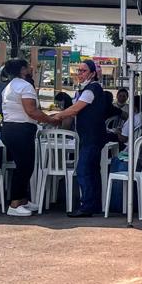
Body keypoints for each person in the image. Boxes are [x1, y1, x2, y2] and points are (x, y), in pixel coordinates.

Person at [47, 59, 108, 217]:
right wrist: (55, 115)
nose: (80, 74)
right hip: (89, 136)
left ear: (92, 74)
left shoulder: (91, 89)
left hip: (92, 136)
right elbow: (72, 108)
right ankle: (93, 205)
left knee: (84, 170)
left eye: (83, 71)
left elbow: (74, 110)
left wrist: (54, 118)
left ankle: (86, 206)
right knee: (92, 171)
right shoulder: (83, 90)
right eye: (78, 71)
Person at [0, 58, 56, 218]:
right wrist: (51, 120)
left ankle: (23, 200)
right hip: (21, 129)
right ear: (23, 70)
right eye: (28, 66)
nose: (31, 68)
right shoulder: (25, 86)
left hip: (9, 128)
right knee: (24, 167)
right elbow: (31, 111)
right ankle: (15, 203)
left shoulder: (9, 87)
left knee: (24, 165)